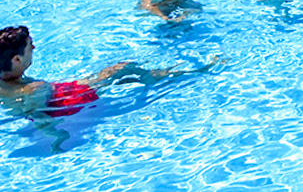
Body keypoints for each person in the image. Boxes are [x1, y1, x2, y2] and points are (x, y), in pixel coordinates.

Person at [0, 26, 191, 119]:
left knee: (121, 74)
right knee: (124, 68)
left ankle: (156, 75)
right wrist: (57, 139)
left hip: (58, 92)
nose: (34, 47)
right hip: (70, 100)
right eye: (30, 46)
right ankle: (165, 78)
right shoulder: (35, 89)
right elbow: (39, 116)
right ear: (16, 59)